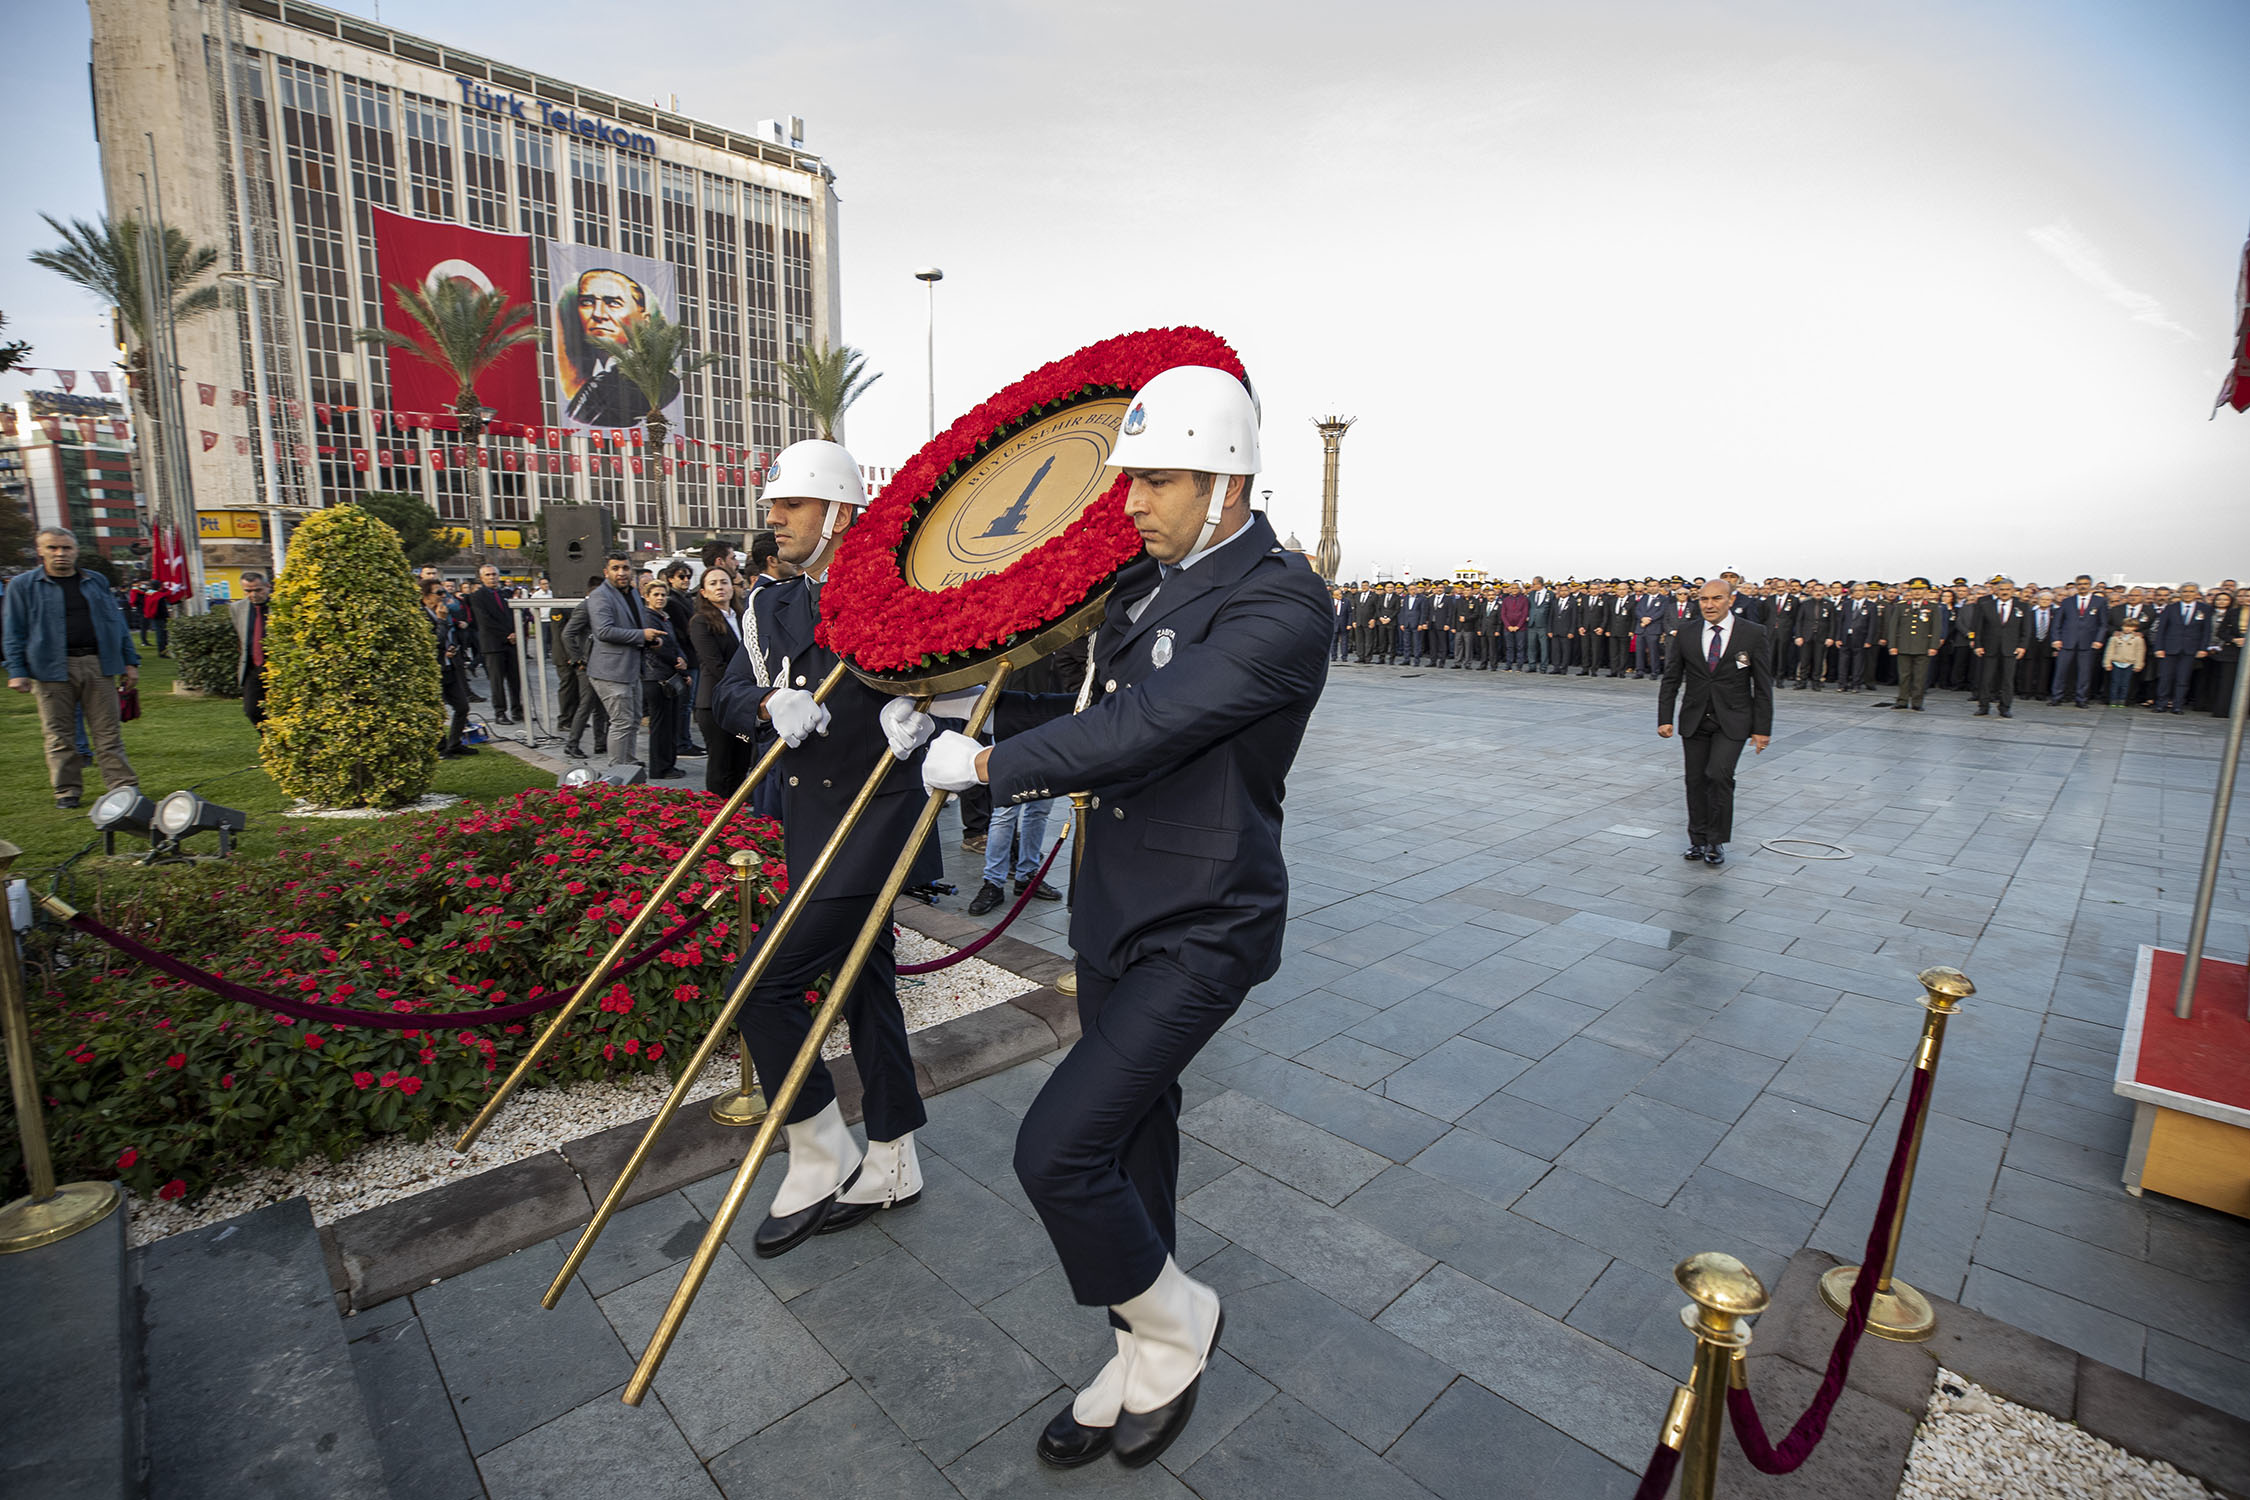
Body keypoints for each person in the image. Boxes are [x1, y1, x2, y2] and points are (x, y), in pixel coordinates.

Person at [917, 364, 1328, 1471]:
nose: (1131, 501)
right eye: (1132, 479)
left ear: (1226, 484)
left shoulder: (1280, 602)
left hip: (1203, 920)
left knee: (1057, 1151)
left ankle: (1179, 1321)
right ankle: (1141, 1348)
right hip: (1113, 909)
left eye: (1157, 480)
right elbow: (1090, 706)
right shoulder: (1145, 591)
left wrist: (993, 764)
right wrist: (943, 712)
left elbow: (1151, 725)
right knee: (1134, 1137)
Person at [711, 437, 944, 1259]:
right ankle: (893, 1160)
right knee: (866, 987)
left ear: (839, 512)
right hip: (810, 827)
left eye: (793, 506)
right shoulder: (771, 604)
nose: (774, 519)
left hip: (873, 823)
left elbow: (975, 677)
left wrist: (927, 719)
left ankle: (816, 1149)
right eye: (773, 506)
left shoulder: (899, 591)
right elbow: (729, 691)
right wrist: (769, 702)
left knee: (760, 987)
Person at [5, 529, 142, 809]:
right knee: (58, 734)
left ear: (76, 550)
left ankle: (122, 788)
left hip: (98, 663)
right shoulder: (22, 585)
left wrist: (130, 661)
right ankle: (67, 790)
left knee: (108, 733)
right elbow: (12, 630)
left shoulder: (95, 581)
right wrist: (16, 670)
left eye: (66, 548)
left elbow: (116, 625)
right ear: (40, 551)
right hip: (50, 668)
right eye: (53, 548)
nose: (60, 554)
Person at [1658, 578, 1772, 868]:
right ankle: (1697, 839)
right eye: (1704, 599)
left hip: (1733, 718)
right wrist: (1665, 718)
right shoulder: (1686, 632)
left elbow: (1762, 685)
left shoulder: (1753, 634)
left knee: (1719, 774)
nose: (1709, 605)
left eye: (1717, 599)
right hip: (1695, 717)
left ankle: (1716, 840)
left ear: (1731, 600)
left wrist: (1762, 729)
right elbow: (1672, 677)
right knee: (1695, 779)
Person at [561, 267, 676, 426]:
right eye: (587, 302)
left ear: (644, 320)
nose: (598, 314)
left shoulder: (661, 381)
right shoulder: (580, 373)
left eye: (613, 303)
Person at [586, 552, 667, 768]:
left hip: (631, 668)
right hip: (610, 671)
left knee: (632, 720)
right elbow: (604, 631)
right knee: (621, 722)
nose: (621, 572)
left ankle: (628, 763)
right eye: (615, 568)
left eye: (625, 568)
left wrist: (649, 641)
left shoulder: (631, 592)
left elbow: (633, 626)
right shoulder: (600, 596)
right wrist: (642, 636)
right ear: (606, 572)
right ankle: (618, 771)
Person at [688, 567, 753, 796]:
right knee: (721, 760)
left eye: (724, 582)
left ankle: (737, 813)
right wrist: (746, 686)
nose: (719, 587)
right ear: (704, 592)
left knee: (742, 757)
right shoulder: (701, 622)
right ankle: (716, 815)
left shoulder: (742, 616)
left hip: (742, 700)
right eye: (713, 583)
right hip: (715, 700)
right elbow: (714, 664)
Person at [638, 576, 690, 780]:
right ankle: (660, 768)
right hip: (656, 677)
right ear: (647, 597)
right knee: (660, 726)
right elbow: (660, 647)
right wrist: (679, 663)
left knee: (669, 724)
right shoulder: (648, 618)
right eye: (656, 595)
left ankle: (668, 764)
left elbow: (675, 644)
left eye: (663, 594)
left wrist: (682, 662)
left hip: (669, 674)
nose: (660, 598)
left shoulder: (663, 617)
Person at [420, 578, 475, 759]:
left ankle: (454, 743)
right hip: (433, 669)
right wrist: (442, 622)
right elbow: (433, 641)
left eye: (444, 592)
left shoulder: (443, 611)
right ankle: (440, 747)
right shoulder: (422, 616)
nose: (443, 596)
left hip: (450, 665)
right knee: (436, 710)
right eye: (439, 593)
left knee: (462, 706)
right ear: (425, 596)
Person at [558, 572, 609, 759]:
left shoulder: (596, 605)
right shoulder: (586, 606)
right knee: (586, 705)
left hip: (597, 662)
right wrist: (578, 659)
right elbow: (567, 634)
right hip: (586, 665)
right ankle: (572, 744)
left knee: (600, 705)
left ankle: (600, 742)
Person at [1967, 578, 2031, 718]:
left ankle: (2005, 707)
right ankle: (1983, 706)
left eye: (2008, 590)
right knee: (1986, 679)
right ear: (1996, 590)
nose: (2004, 592)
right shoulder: (1986, 605)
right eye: (2002, 590)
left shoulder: (2022, 607)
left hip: (2010, 649)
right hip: (1990, 648)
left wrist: (2022, 647)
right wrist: (1977, 645)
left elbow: (2026, 630)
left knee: (2007, 680)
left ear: (2013, 591)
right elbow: (1978, 628)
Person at [467, 564, 522, 724]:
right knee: (497, 681)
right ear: (482, 578)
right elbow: (485, 620)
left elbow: (514, 614)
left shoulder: (505, 594)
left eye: (494, 575)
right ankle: (500, 712)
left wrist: (515, 632)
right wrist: (506, 635)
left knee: (515, 679)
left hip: (511, 643)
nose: (492, 578)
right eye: (488, 575)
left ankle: (517, 710)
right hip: (493, 644)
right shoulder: (477, 596)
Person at [2049, 574, 2109, 708]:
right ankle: (2056, 696)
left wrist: (2099, 640)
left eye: (2086, 584)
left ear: (2090, 585)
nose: (2083, 586)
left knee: (2084, 672)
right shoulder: (2067, 601)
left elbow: (2103, 624)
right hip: (2067, 641)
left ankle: (2081, 698)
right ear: (2076, 585)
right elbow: (2057, 623)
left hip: (2088, 642)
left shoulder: (2099, 602)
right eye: (2080, 584)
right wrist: (2056, 639)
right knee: (2061, 671)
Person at [1883, 578, 1942, 711]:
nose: (1917, 592)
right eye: (1914, 589)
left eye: (1920, 590)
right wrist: (1892, 645)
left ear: (1925, 591)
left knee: (1919, 677)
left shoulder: (1932, 607)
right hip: (1904, 646)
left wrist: (1933, 646)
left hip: (1922, 647)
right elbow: (1893, 627)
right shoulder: (1901, 606)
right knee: (1904, 676)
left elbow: (1936, 628)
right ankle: (1902, 700)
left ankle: (1917, 702)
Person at [2152, 583, 2210, 714]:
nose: (2188, 594)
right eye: (2185, 591)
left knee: (2183, 678)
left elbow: (2206, 631)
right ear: (2180, 593)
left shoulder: (2204, 609)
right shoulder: (2171, 608)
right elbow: (2161, 629)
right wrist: (2159, 647)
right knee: (2165, 677)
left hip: (2190, 649)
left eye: (2191, 591)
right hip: (2169, 648)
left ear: (2196, 593)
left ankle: (2177, 705)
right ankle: (2161, 703)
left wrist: (2203, 648)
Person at [230, 570, 273, 727]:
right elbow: (240, 635)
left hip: (277, 667)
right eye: (248, 591)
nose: (253, 594)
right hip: (252, 669)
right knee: (251, 710)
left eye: (258, 590)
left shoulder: (282, 605)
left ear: (267, 587)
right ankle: (270, 741)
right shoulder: (237, 608)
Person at [2202, 590, 2248, 715]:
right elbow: (2221, 632)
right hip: (2232, 651)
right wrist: (2233, 639)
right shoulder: (2233, 613)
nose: (2247, 599)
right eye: (2245, 596)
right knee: (2227, 682)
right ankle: (2223, 710)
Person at [2104, 618, 2147, 708]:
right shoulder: (2115, 638)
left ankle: (2122, 700)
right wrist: (2107, 663)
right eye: (2126, 626)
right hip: (2116, 662)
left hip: (2129, 663)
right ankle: (2113, 699)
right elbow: (2109, 651)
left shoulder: (2138, 639)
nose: (2127, 629)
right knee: (2115, 682)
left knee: (2125, 683)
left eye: (2131, 627)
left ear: (2135, 628)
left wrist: (2139, 664)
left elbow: (2140, 652)